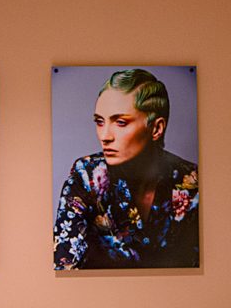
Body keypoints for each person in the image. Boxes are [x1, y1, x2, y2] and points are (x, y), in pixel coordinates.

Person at [53, 68, 200, 269]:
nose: (105, 136)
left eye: (120, 122)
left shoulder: (190, 181)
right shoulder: (86, 176)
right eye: (99, 122)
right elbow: (64, 267)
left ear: (156, 128)